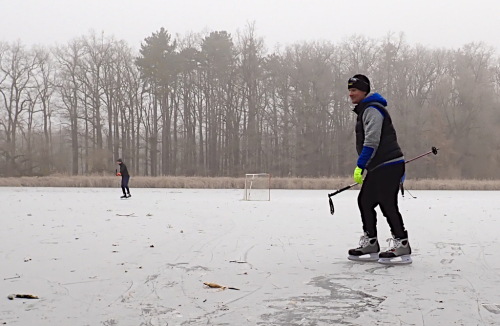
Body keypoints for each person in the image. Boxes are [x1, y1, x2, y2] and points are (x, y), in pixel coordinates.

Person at [346, 74, 411, 265]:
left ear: (364, 91)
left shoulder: (372, 110)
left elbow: (372, 141)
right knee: (365, 201)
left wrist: (361, 165)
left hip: (389, 164)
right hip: (380, 166)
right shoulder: (365, 110)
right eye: (349, 90)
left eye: (354, 90)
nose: (351, 94)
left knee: (387, 203)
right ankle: (371, 243)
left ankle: (402, 243)